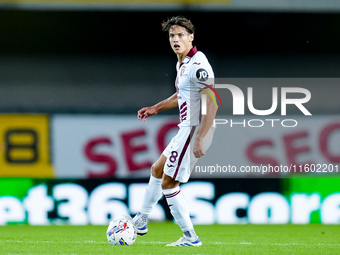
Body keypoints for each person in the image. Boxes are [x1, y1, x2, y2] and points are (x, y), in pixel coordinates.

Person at [132, 16, 218, 247]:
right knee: (157, 169)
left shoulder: (198, 65)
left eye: (181, 35)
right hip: (186, 129)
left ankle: (190, 237)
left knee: (169, 184)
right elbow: (181, 95)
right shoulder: (182, 63)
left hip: (194, 129)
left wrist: (200, 136)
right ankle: (141, 219)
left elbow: (213, 104)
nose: (176, 39)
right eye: (172, 36)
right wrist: (156, 108)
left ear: (191, 38)